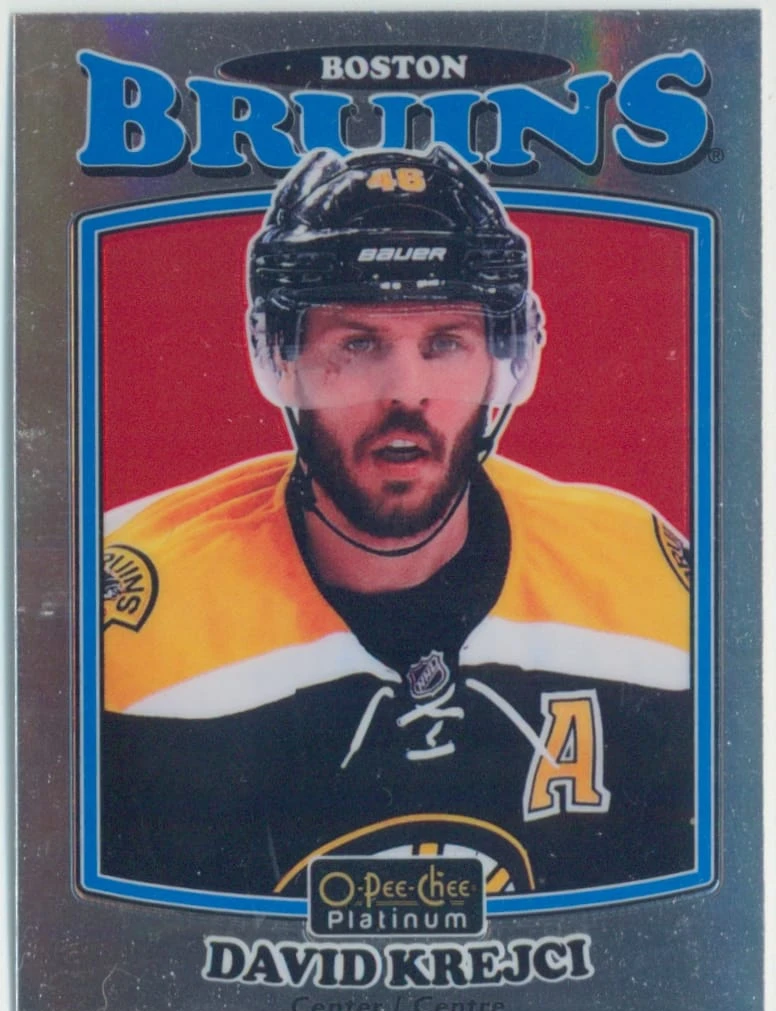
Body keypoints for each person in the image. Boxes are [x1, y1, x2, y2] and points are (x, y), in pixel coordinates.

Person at [100, 145, 693, 901]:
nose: (405, 392)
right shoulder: (134, 618)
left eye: (445, 343)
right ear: (282, 356)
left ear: (501, 359)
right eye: (358, 344)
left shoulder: (635, 582)